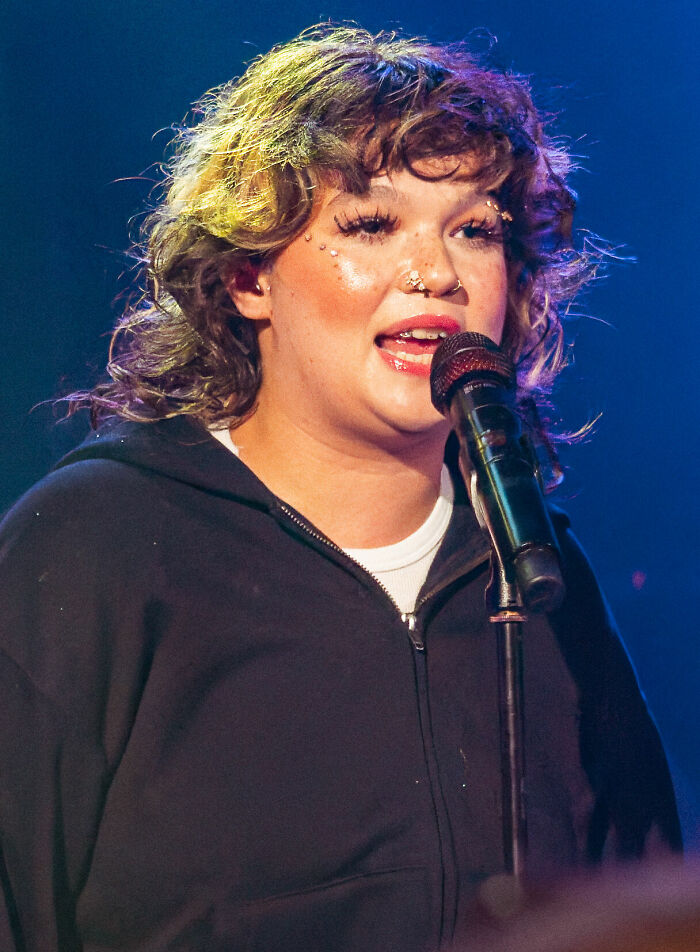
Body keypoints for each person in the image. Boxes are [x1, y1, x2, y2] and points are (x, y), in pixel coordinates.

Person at [0, 24, 681, 952]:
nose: (436, 273)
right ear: (248, 276)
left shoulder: (541, 578)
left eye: (475, 230)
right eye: (370, 224)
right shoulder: (94, 550)